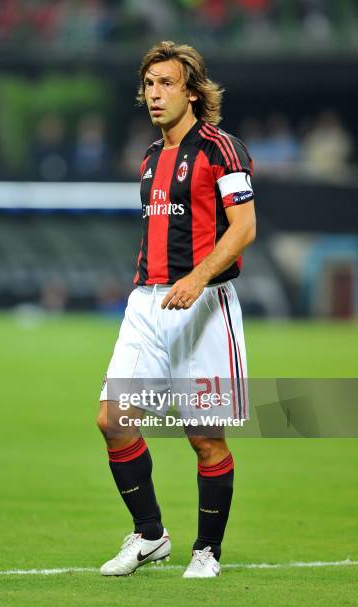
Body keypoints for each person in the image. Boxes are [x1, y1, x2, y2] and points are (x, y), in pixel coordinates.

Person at [96, 40, 256, 578]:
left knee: (204, 437)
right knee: (114, 420)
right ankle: (149, 536)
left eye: (167, 83)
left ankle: (206, 550)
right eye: (149, 84)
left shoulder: (221, 148)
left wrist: (198, 276)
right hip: (147, 303)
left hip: (205, 304)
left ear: (192, 90)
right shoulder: (148, 157)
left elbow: (245, 228)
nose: (155, 93)